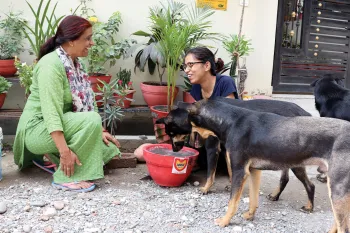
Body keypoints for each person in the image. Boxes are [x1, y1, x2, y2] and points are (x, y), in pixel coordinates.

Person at [13, 15, 120, 192]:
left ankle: (51, 156)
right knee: (92, 121)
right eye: (87, 38)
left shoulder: (77, 63)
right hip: (37, 129)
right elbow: (51, 112)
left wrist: (98, 131)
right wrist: (65, 152)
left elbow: (88, 99)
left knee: (109, 150)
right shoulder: (51, 65)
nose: (91, 43)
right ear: (71, 41)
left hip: (60, 123)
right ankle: (65, 176)